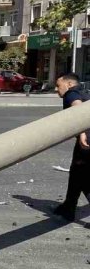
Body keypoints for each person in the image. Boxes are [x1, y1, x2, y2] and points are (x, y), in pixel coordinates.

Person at [53, 74, 90, 221]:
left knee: (83, 178)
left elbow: (78, 108)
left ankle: (68, 208)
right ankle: (68, 207)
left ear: (69, 84)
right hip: (85, 141)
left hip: (86, 141)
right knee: (76, 173)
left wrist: (82, 132)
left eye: (58, 85)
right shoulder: (85, 91)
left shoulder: (71, 93)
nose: (56, 89)